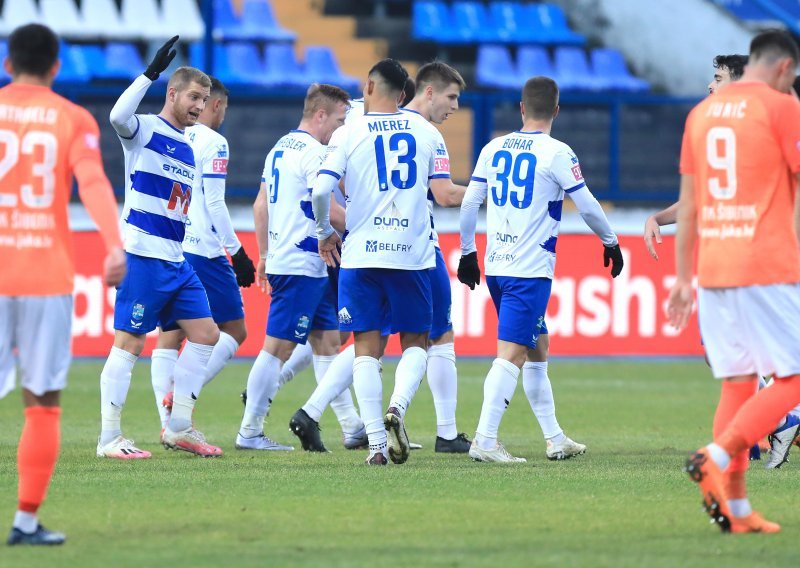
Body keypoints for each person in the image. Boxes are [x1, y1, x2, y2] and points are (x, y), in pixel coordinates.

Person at [290, 64, 473, 454]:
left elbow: (321, 189)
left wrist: (325, 231)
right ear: (407, 94)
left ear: (369, 86)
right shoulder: (428, 133)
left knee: (365, 348)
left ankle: (375, 444)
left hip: (361, 254)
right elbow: (443, 192)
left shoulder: (348, 131)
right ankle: (398, 407)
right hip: (412, 254)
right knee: (417, 342)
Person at [669, 29, 800, 534]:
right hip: (767, 264)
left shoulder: (700, 116)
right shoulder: (781, 105)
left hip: (715, 267)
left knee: (739, 383)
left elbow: (692, 203)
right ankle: (715, 455)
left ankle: (737, 509)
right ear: (784, 67)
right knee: (793, 377)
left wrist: (684, 278)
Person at [0, 23, 126, 545]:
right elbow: (92, 181)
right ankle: (26, 522)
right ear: (56, 67)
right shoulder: (72, 118)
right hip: (44, 273)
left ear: (8, 64)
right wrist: (115, 244)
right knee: (43, 401)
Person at [458, 76, 623, 463]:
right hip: (530, 269)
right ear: (557, 110)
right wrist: (611, 241)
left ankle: (555, 438)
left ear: (520, 107)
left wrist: (468, 252)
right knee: (511, 354)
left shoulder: (493, 147)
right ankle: (484, 440)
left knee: (537, 348)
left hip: (498, 266)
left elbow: (469, 204)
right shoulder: (557, 153)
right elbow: (586, 205)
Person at [97, 36, 223, 459]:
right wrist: (149, 73)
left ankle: (180, 427)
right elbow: (117, 115)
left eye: (204, 100)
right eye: (193, 96)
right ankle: (109, 438)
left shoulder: (189, 147)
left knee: (206, 334)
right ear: (172, 93)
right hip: (144, 255)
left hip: (176, 259)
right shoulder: (144, 129)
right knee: (130, 341)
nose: (199, 106)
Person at [236, 83, 352, 451]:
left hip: (302, 261)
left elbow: (259, 206)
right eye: (339, 119)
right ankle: (250, 431)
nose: (341, 127)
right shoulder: (315, 153)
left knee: (328, 341)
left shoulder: (279, 148)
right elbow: (329, 209)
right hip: (302, 261)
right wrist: (370, 225)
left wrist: (266, 256)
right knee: (278, 348)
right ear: (320, 116)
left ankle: (352, 427)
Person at [150, 76, 255, 435]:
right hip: (205, 250)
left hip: (171, 243)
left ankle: (171, 423)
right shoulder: (215, 142)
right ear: (217, 104)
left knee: (171, 334)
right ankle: (179, 397)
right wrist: (237, 251)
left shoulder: (173, 132)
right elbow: (213, 201)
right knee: (235, 330)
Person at [643, 54, 747, 260]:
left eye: (718, 79)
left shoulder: (766, 132)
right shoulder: (704, 131)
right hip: (716, 260)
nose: (710, 85)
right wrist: (657, 218)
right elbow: (699, 198)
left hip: (759, 261)